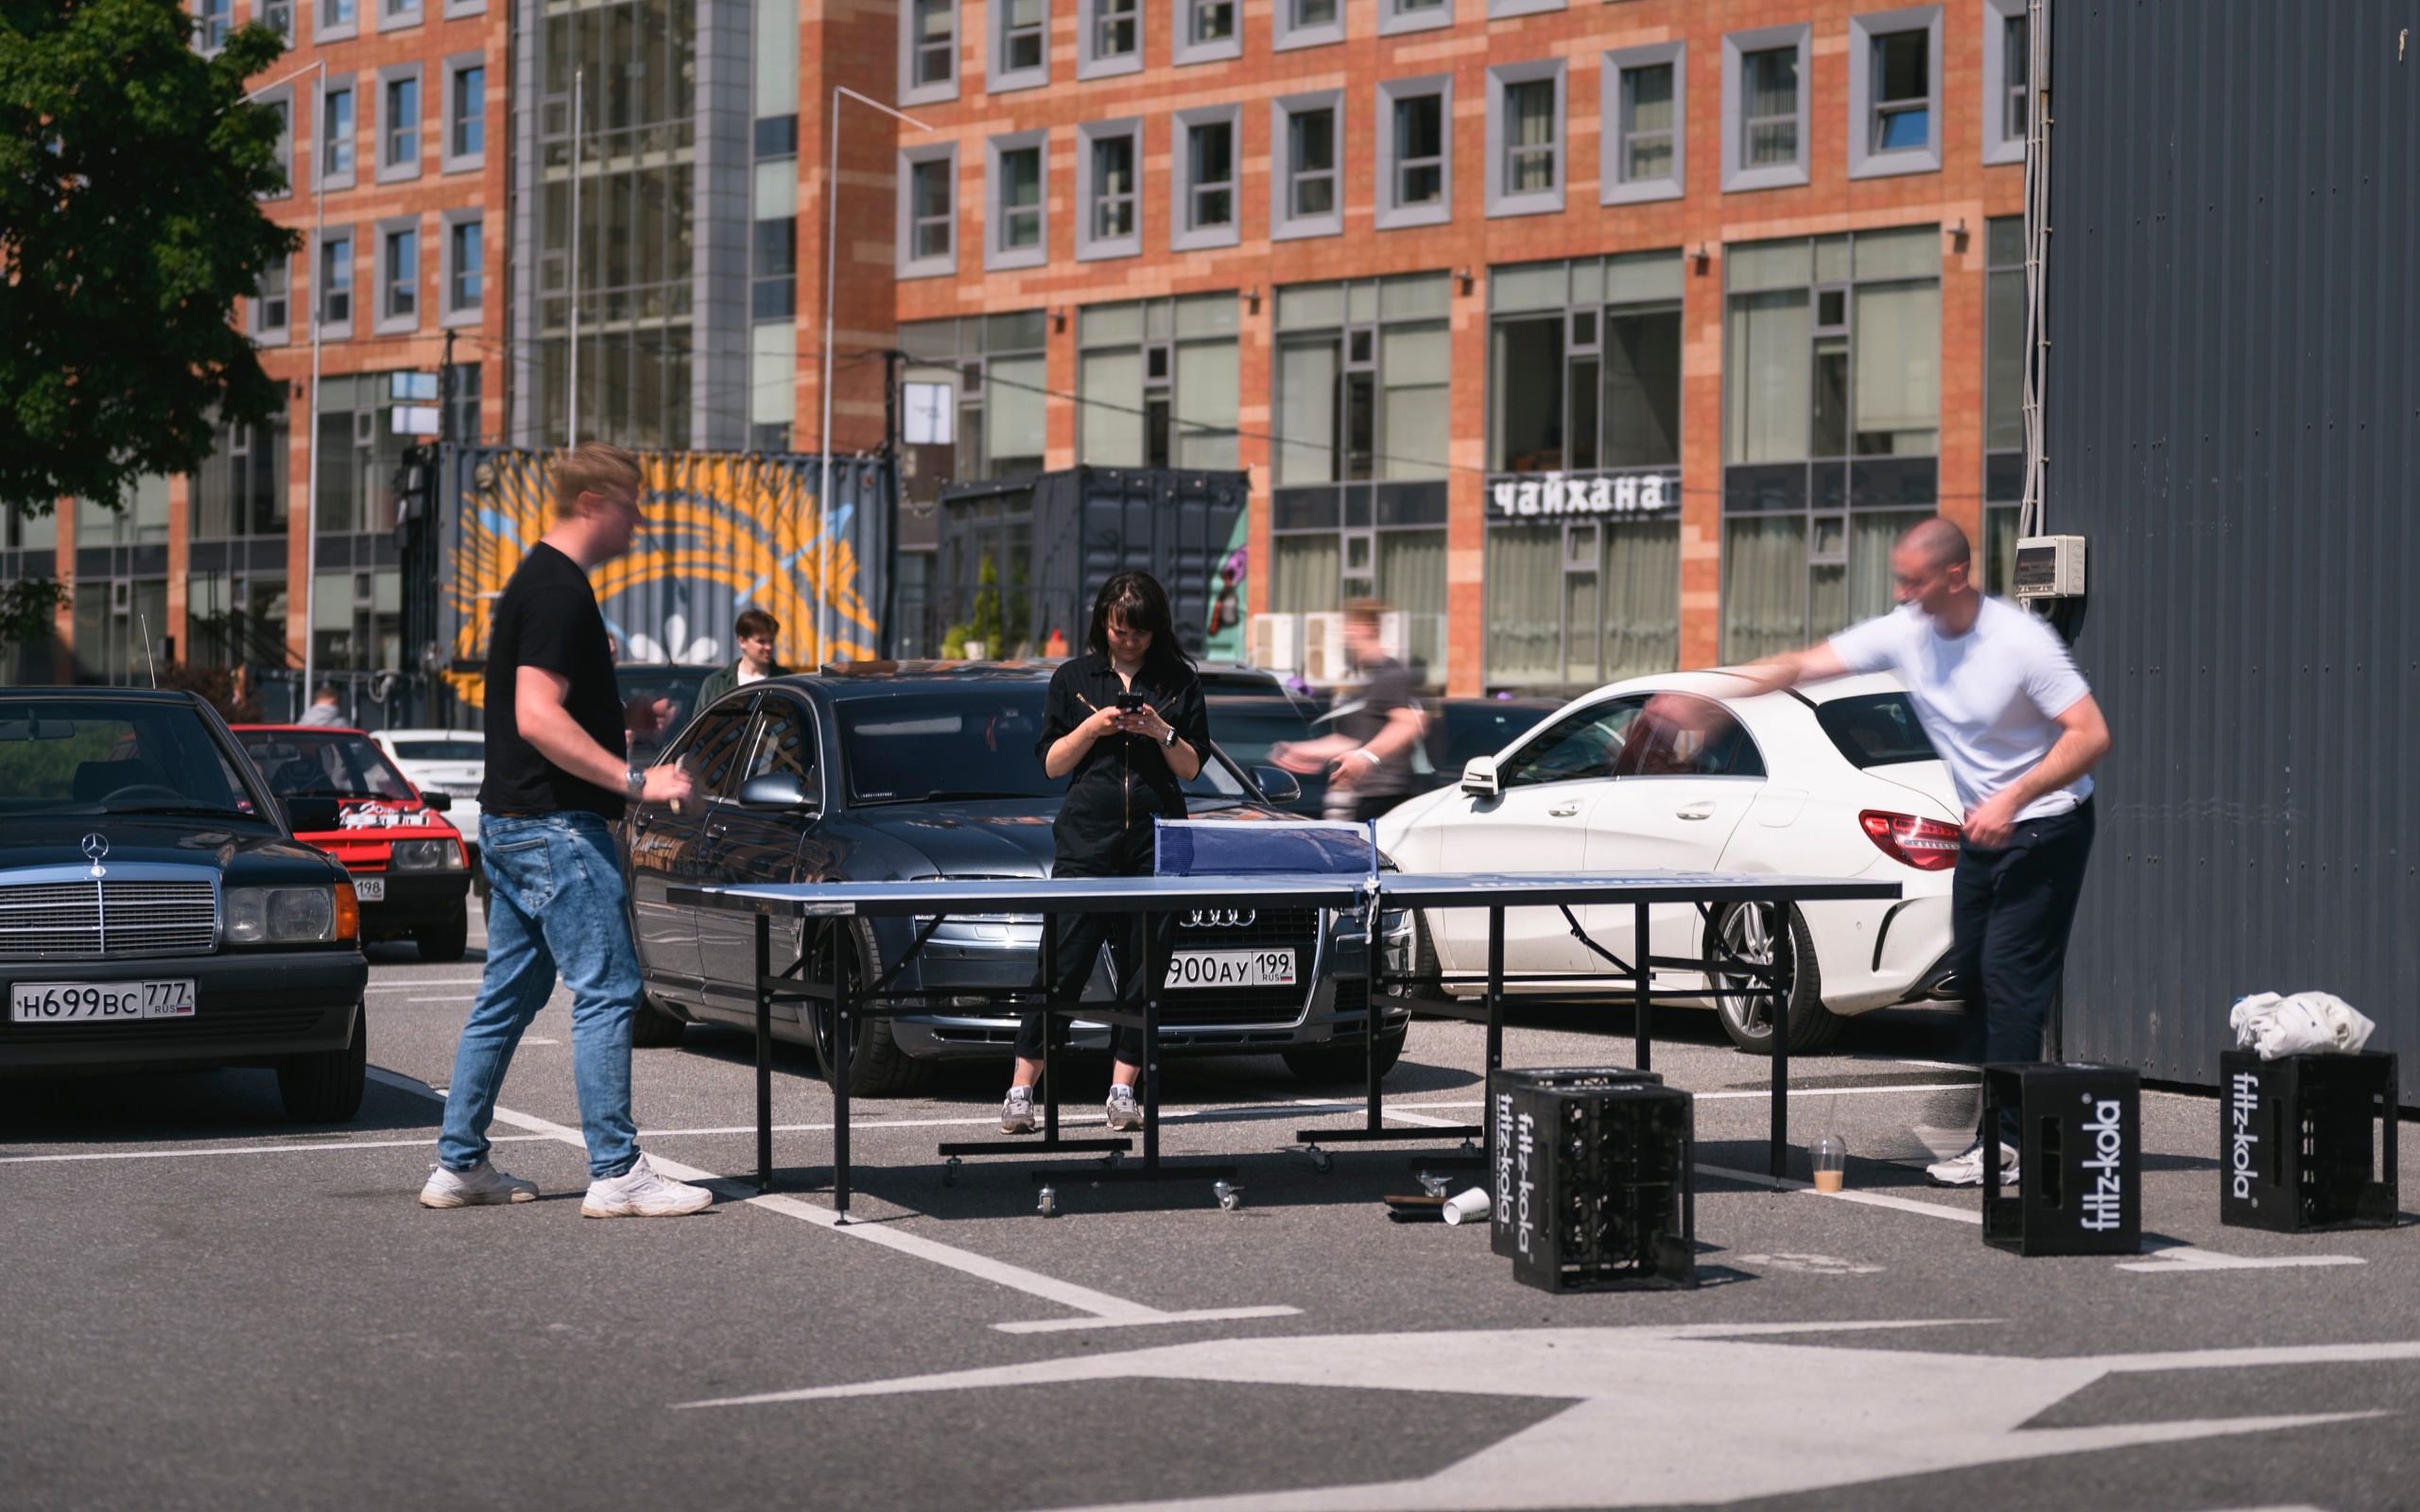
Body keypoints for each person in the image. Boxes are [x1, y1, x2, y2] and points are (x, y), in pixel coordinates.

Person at [1715, 517, 2110, 1187]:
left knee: (2013, 981)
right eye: (1898, 579)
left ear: (1954, 576)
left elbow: (2090, 734)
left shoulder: (2020, 642)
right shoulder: (1908, 631)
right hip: (1981, 830)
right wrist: (1711, 697)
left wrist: (2010, 800)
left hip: (2045, 824)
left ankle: (2007, 1145)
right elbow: (1808, 663)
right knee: (1975, 978)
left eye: (1914, 580)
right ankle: (1998, 1117)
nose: (1902, 592)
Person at [420, 443, 708, 1217]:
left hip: (517, 825)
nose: (640, 522)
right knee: (610, 988)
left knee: (508, 996)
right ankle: (617, 1173)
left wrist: (624, 721)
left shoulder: (540, 581)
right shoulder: (556, 590)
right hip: (555, 829)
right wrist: (637, 778)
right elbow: (535, 716)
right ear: (593, 504)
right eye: (631, 505)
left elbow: (549, 712)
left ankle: (459, 1165)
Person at [1000, 572, 1211, 1136]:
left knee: (1146, 971)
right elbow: (1052, 763)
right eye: (1120, 630)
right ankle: (1021, 1089)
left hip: (1157, 844)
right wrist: (1094, 725)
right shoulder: (1074, 678)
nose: (1129, 641)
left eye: (1140, 632)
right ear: (1103, 624)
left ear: (1155, 629)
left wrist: (1160, 731)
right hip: (1086, 843)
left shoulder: (1180, 680)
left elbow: (1191, 767)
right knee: (1062, 965)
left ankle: (1123, 1090)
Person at [1268, 599, 1426, 823]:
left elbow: (1409, 724)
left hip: (1385, 800)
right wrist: (1303, 750)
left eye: (1348, 627)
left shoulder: (1391, 675)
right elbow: (1353, 741)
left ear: (1366, 628)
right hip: (1357, 799)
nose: (1344, 636)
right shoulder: (1363, 683)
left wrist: (1366, 757)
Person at [696, 608, 786, 706]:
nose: (769, 647)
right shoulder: (716, 683)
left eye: (771, 641)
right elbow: (701, 720)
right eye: (761, 641)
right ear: (742, 641)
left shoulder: (787, 682)